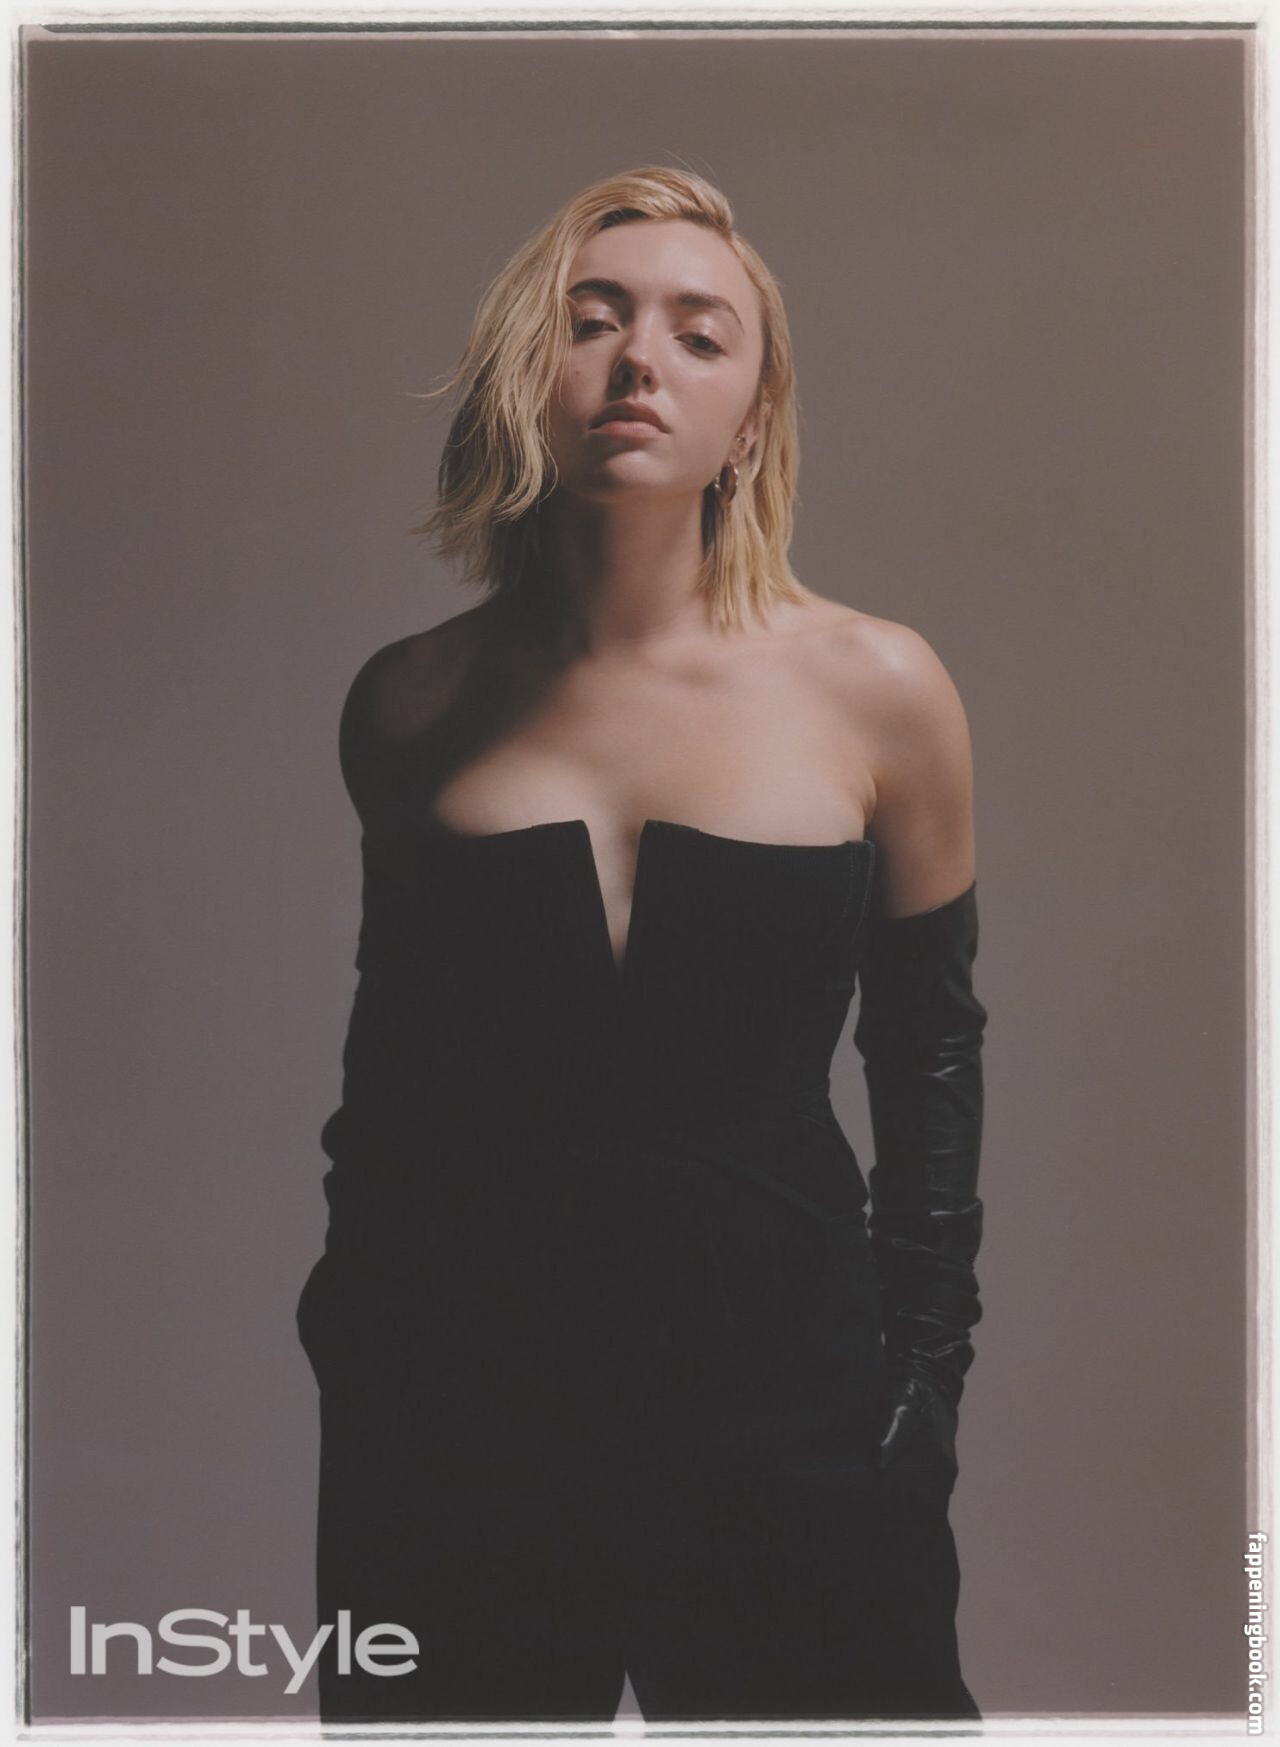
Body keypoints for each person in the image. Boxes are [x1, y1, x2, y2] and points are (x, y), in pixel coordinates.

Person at [295, 164, 989, 1727]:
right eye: (592, 320)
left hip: (790, 1399)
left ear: (751, 419)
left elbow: (930, 1048)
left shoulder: (880, 690)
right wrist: (357, 1343)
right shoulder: (410, 700)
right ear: (525, 373)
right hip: (460, 1409)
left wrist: (923, 1381)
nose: (639, 363)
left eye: (699, 332)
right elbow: (392, 1078)